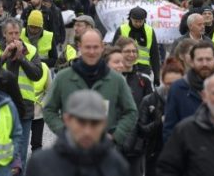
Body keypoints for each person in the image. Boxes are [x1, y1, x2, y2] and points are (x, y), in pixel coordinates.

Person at [44, 29, 138, 150]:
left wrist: (115, 136)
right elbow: (49, 109)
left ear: (102, 47)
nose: (92, 52)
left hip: (103, 151)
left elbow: (131, 111)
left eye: (95, 47)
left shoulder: (116, 80)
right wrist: (63, 132)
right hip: (70, 150)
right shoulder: (64, 78)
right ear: (80, 47)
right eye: (87, 47)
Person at [26, 89, 130, 176]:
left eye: (94, 123)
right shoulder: (39, 163)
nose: (87, 131)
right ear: (67, 120)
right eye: (81, 122)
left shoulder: (118, 165)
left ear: (104, 123)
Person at [0, 18, 43, 170]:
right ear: (4, 34)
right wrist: (3, 56)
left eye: (17, 32)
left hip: (24, 106)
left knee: (20, 154)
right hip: (0, 106)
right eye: (11, 33)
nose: (14, 36)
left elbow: (37, 74)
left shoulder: (31, 49)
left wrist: (22, 57)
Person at [137, 58, 184, 176]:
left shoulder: (188, 99)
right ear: (163, 80)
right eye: (169, 84)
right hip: (155, 156)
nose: (173, 88)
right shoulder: (150, 100)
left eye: (177, 83)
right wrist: (160, 121)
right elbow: (141, 131)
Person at [112, 37, 152, 176]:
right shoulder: (108, 79)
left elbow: (149, 114)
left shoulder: (144, 80)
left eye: (134, 51)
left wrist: (141, 140)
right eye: (127, 51)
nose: (131, 54)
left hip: (136, 145)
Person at [114, 6, 161, 85]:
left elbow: (155, 54)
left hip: (144, 69)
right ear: (130, 19)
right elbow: (114, 52)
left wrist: (157, 75)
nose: (138, 24)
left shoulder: (149, 31)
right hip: (125, 68)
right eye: (136, 21)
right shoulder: (122, 29)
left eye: (141, 21)